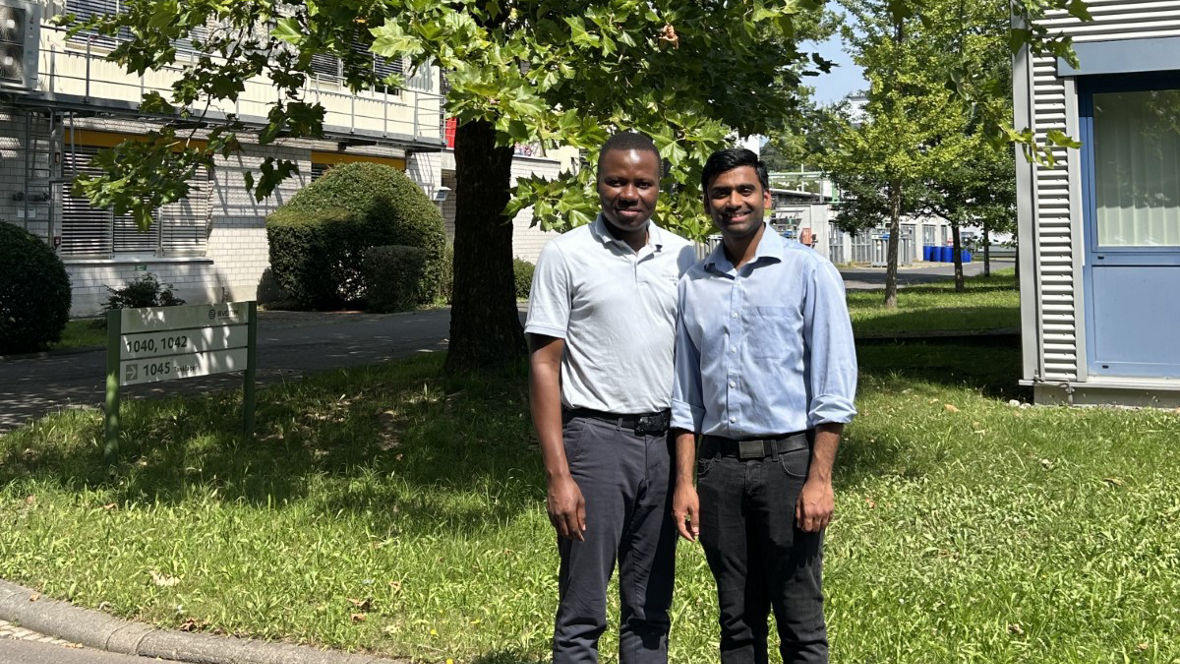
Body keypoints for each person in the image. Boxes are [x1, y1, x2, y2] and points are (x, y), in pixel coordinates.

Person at [669, 147, 857, 664]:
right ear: (708, 203)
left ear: (766, 197)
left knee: (800, 622)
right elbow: (685, 397)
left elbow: (834, 387)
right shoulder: (694, 283)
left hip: (788, 466)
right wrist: (685, 482)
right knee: (736, 623)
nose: (734, 202)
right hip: (718, 470)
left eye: (744, 190)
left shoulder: (809, 272)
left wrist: (819, 479)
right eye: (721, 193)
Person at [526, 131, 697, 664]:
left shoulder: (684, 257)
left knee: (649, 611)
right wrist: (559, 475)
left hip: (663, 445)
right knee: (582, 611)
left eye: (642, 183)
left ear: (658, 188)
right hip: (595, 443)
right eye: (616, 181)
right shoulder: (566, 255)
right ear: (597, 184)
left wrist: (687, 470)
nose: (629, 194)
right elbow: (544, 364)